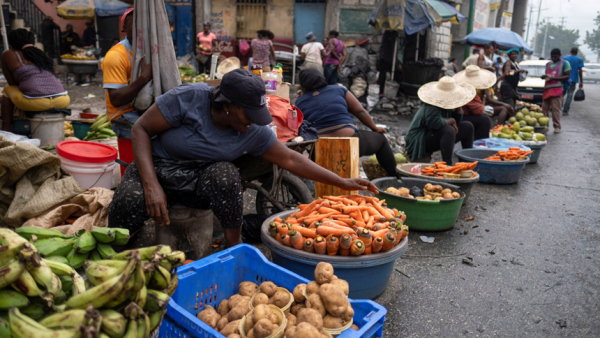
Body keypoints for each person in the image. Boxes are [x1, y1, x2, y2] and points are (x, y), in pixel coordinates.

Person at [108, 69, 377, 246]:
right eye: (247, 115)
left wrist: (343, 182)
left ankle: (232, 249)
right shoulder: (188, 98)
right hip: (158, 168)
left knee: (227, 174)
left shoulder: (252, 131)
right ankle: (117, 257)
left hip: (198, 180)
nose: (252, 123)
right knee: (127, 204)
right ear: (227, 106)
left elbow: (292, 160)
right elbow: (140, 129)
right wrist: (151, 185)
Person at [295, 68, 398, 177]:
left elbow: (300, 127)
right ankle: (394, 177)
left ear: (303, 86)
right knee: (381, 140)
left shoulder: (299, 101)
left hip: (319, 149)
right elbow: (360, 111)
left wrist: (304, 96)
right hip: (349, 141)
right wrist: (375, 128)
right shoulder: (338, 89)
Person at [101, 8, 153, 171]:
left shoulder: (153, 52)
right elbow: (116, 99)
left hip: (145, 109)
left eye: (144, 24)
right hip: (124, 113)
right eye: (135, 24)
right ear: (124, 28)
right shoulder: (116, 55)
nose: (140, 29)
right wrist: (143, 78)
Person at [1, 29, 70, 131]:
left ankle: (6, 127)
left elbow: (12, 84)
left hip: (36, 102)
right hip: (62, 99)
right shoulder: (40, 54)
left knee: (7, 90)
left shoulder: (8, 54)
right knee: (27, 92)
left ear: (12, 42)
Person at [405, 76, 476, 164]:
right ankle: (447, 165)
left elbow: (456, 125)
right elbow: (434, 123)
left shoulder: (449, 103)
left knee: (467, 126)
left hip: (434, 134)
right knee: (448, 130)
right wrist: (451, 120)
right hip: (419, 138)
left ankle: (466, 162)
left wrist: (458, 108)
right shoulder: (432, 104)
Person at [453, 66, 497, 139]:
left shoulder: (469, 89)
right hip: (459, 116)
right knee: (485, 120)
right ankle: (480, 146)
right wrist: (484, 97)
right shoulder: (467, 91)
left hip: (463, 115)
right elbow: (479, 111)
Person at [541, 48, 571, 133]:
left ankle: (557, 126)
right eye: (552, 57)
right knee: (544, 109)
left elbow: (567, 76)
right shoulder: (548, 64)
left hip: (557, 89)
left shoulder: (565, 63)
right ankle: (544, 125)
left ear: (559, 56)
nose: (553, 58)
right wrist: (545, 76)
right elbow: (547, 74)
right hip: (547, 89)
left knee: (555, 109)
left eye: (555, 56)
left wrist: (554, 78)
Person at [377, 30, 402, 95]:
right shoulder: (390, 35)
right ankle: (382, 91)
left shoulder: (388, 34)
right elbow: (391, 49)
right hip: (387, 58)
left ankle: (382, 91)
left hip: (386, 57)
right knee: (385, 75)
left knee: (383, 75)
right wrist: (396, 62)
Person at [562, 47, 584, 115]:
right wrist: (581, 81)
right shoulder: (579, 59)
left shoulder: (565, 58)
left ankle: (557, 106)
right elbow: (580, 71)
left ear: (570, 51)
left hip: (564, 79)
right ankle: (565, 111)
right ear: (576, 52)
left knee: (561, 94)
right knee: (569, 95)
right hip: (573, 80)